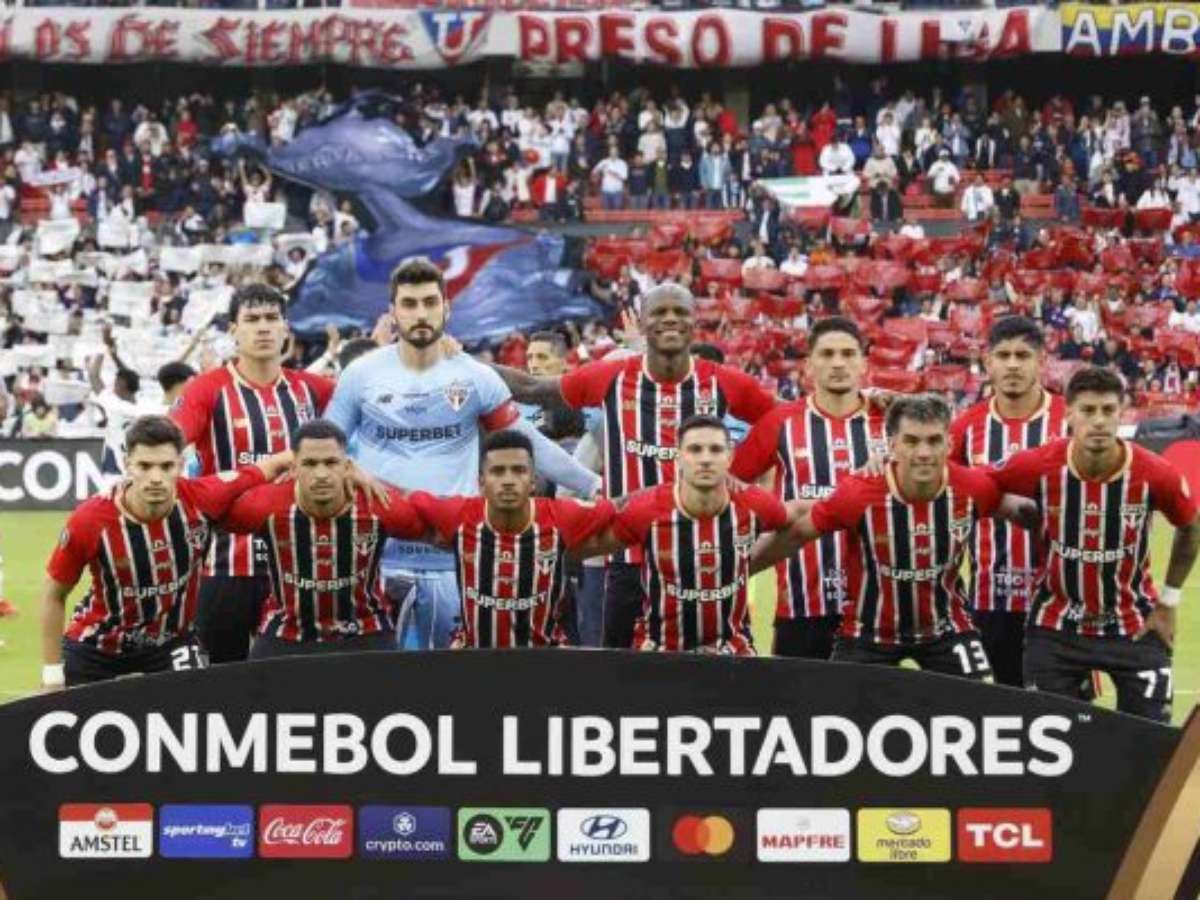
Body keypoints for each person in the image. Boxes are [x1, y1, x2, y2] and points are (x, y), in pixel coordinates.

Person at [325, 257, 600, 650]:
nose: (421, 313)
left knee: (451, 680)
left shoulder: (474, 376)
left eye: (429, 302)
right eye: (409, 304)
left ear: (446, 308)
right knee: (376, 679)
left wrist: (591, 484)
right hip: (375, 560)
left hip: (455, 560)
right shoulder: (361, 375)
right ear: (393, 312)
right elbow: (325, 449)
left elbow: (526, 442)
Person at [491, 282, 777, 649]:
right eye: (659, 312)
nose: (670, 319)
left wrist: (740, 471)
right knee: (621, 671)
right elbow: (532, 388)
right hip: (629, 558)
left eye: (680, 312)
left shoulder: (723, 382)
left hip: (705, 558)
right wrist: (459, 361)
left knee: (712, 666)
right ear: (642, 322)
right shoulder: (612, 376)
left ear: (695, 321)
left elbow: (784, 421)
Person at [754, 394, 1036, 679]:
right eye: (911, 441)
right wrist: (740, 570)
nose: (924, 452)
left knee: (982, 699)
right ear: (891, 445)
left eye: (934, 441)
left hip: (947, 630)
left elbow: (1023, 511)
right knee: (842, 702)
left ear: (949, 444)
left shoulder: (973, 488)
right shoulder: (859, 493)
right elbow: (796, 534)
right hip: (868, 634)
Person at [988, 366, 1200, 722]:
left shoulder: (1154, 473)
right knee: (1055, 741)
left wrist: (1169, 601)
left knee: (1152, 742)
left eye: (1107, 410)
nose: (1099, 421)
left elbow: (1191, 527)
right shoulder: (1039, 464)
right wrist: (1014, 510)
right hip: (1055, 628)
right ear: (1069, 414)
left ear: (1123, 413)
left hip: (1135, 625)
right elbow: (978, 487)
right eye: (1088, 410)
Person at [39, 416, 292, 689]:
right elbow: (54, 594)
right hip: (98, 646)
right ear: (127, 464)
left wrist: (316, 465)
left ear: (181, 465)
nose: (156, 478)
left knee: (202, 705)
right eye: (144, 466)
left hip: (171, 644)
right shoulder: (90, 520)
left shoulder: (202, 497)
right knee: (63, 711)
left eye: (166, 466)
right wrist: (52, 674)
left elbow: (269, 467)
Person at [169, 283, 337, 664]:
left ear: (285, 328)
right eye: (252, 319)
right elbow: (168, 442)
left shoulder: (312, 390)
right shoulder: (207, 390)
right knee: (219, 680)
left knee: (293, 682)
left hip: (300, 567)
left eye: (272, 318)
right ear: (234, 330)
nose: (263, 327)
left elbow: (370, 412)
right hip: (225, 564)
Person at [730, 317, 886, 659]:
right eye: (827, 354)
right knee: (796, 693)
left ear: (864, 363)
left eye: (848, 354)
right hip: (802, 602)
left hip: (877, 605)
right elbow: (730, 484)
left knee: (871, 694)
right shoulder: (781, 422)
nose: (838, 363)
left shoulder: (890, 421)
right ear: (809, 365)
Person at [220, 420, 427, 658]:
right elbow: (205, 509)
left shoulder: (378, 504)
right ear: (293, 468)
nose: (321, 474)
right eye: (309, 464)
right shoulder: (265, 506)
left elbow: (438, 528)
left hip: (365, 631)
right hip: (286, 633)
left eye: (331, 463)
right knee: (252, 682)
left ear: (348, 466)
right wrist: (271, 465)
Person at [591, 415, 790, 654]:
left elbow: (797, 524)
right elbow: (587, 543)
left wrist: (753, 560)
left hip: (733, 651)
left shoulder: (755, 505)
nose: (705, 459)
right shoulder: (646, 509)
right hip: (659, 652)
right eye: (695, 450)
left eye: (715, 450)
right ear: (678, 457)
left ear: (730, 457)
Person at [410, 429, 616, 649]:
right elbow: (398, 505)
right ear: (481, 482)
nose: (508, 481)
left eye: (518, 471)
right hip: (472, 656)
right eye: (498, 471)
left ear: (533, 481)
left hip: (547, 657)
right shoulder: (459, 516)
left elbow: (626, 513)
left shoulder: (562, 517)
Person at [949, 316, 1069, 687]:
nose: (1013, 365)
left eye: (1023, 355)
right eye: (1003, 355)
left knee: (1066, 710)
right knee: (999, 707)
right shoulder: (966, 427)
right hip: (990, 601)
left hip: (1061, 602)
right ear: (988, 362)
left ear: (1041, 361)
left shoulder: (1069, 419)